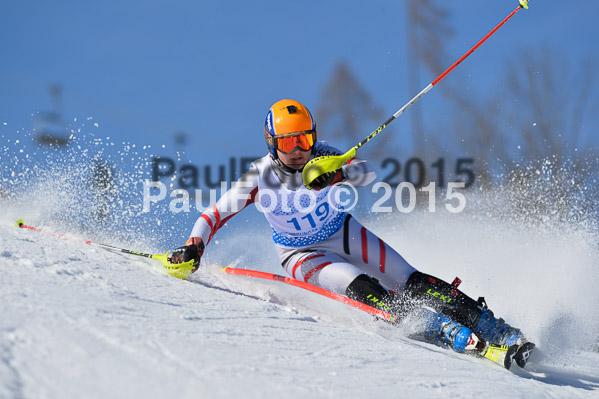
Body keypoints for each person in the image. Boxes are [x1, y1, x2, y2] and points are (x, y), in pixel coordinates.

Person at [168, 99, 532, 366]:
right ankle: (446, 331)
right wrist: (193, 246)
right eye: (287, 143)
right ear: (271, 143)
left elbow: (368, 172)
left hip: (342, 231)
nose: (298, 151)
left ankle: (495, 328)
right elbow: (215, 213)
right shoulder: (259, 176)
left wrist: (337, 173)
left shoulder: (323, 155)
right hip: (302, 255)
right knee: (363, 287)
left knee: (413, 281)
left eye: (304, 139)